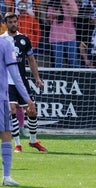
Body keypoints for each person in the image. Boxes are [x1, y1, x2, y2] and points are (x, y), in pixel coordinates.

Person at [2, 12, 47, 153]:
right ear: (6, 24)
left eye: (15, 21)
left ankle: (33, 141)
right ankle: (18, 144)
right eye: (10, 22)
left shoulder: (24, 39)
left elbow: (31, 60)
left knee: (32, 111)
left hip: (22, 81)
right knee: (12, 109)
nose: (13, 24)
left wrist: (38, 78)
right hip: (7, 82)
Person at [0, 35, 36, 186]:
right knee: (5, 134)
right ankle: (7, 176)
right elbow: (15, 74)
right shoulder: (5, 43)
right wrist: (27, 99)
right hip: (1, 97)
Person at [46, 0, 78, 68]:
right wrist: (54, 15)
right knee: (58, 62)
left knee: (73, 61)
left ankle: (75, 77)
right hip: (56, 37)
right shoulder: (52, 3)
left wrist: (68, 4)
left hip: (70, 36)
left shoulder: (71, 2)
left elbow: (75, 15)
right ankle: (57, 77)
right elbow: (48, 22)